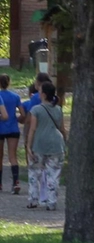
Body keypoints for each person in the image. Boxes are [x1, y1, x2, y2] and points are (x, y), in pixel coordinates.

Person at [23, 82, 64, 211]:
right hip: (56, 144)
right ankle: (51, 202)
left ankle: (33, 199)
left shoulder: (36, 110)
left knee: (34, 172)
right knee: (54, 173)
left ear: (44, 94)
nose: (37, 93)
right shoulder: (58, 110)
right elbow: (62, 129)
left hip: (39, 144)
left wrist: (28, 146)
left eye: (39, 91)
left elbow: (33, 129)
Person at [0, 75, 23, 194]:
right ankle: (16, 182)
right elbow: (23, 113)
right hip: (13, 128)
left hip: (0, 128)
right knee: (12, 156)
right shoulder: (15, 96)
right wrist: (17, 120)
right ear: (9, 82)